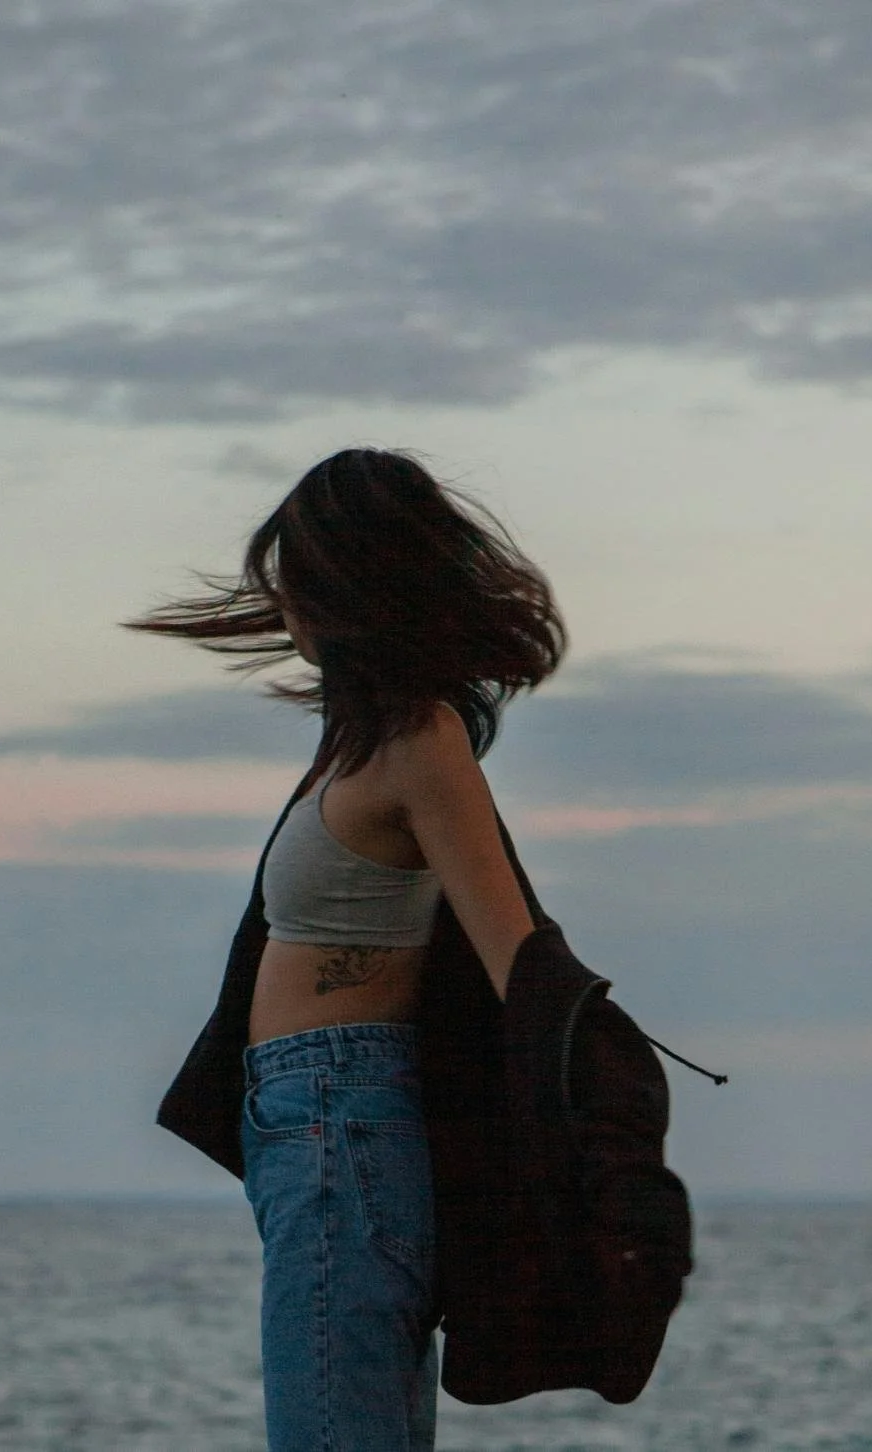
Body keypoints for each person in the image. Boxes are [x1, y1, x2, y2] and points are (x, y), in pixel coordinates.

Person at [126, 447, 567, 1451]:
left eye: (297, 574)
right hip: (313, 1126)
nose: (284, 601)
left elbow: (518, 958)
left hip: (342, 1123)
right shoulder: (363, 740)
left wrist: (598, 1142)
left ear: (349, 581)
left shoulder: (421, 739)